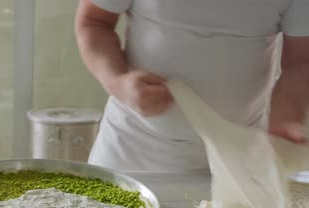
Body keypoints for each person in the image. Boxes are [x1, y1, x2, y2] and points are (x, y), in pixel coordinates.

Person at [75, 0, 309, 172]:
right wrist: (117, 82)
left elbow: (299, 63)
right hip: (133, 149)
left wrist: (284, 125)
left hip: (240, 155)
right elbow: (93, 21)